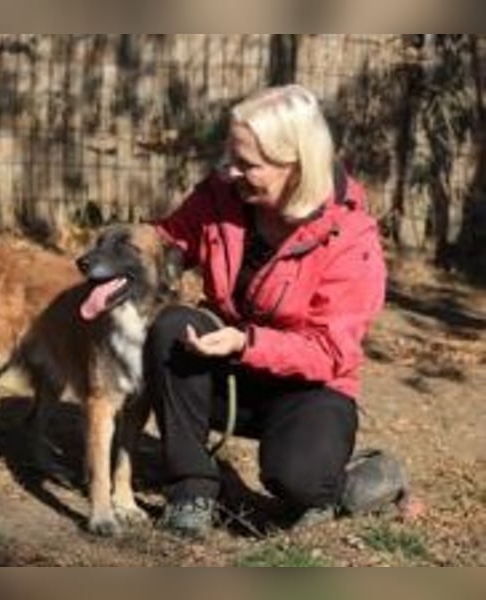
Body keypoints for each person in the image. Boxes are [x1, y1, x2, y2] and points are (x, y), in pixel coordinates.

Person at [144, 84, 389, 538]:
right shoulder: (221, 196)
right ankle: (191, 488)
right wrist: (120, 257)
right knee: (173, 328)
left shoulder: (350, 235)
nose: (230, 171)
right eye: (230, 157)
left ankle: (363, 477)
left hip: (307, 388)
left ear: (296, 164)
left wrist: (247, 343)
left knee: (298, 481)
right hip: (230, 368)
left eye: (248, 164)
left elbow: (331, 352)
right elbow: (166, 242)